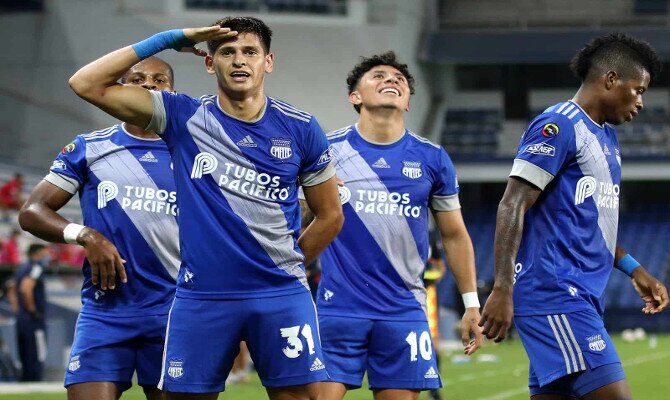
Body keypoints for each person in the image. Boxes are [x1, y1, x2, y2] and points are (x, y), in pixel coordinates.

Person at [67, 16, 343, 400]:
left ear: (268, 61)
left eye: (250, 51)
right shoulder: (181, 115)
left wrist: (291, 261)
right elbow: (85, 84)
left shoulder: (301, 127)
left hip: (281, 295)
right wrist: (168, 39)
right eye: (227, 52)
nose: (239, 60)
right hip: (202, 297)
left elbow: (330, 214)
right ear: (210, 64)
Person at [479, 33, 670, 400]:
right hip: (555, 293)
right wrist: (502, 287)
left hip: (581, 295)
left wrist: (634, 268)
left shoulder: (607, 139)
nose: (641, 102)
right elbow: (512, 202)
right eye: (639, 89)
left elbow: (593, 223)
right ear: (611, 80)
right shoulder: (559, 125)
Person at [308, 52, 483, 400]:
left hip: (404, 309)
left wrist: (472, 304)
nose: (391, 80)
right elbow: (295, 219)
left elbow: (455, 235)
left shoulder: (432, 158)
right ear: (354, 97)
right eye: (378, 76)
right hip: (338, 308)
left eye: (399, 79)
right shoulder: (327, 150)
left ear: (406, 102)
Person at [19, 57, 180, 400]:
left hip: (175, 310)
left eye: (159, 79)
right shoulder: (90, 147)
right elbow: (32, 210)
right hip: (106, 311)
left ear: (173, 91)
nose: (149, 85)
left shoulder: (193, 152)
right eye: (137, 78)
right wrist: (85, 235)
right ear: (120, 90)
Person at [11, 243, 50, 381]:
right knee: (37, 355)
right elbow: (25, 289)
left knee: (25, 355)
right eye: (45, 254)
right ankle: (35, 382)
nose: (47, 257)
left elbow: (11, 290)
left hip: (22, 319)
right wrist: (33, 311)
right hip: (34, 321)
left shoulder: (22, 268)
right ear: (38, 254)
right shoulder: (36, 267)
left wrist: (17, 310)